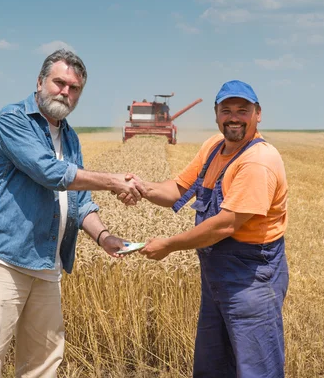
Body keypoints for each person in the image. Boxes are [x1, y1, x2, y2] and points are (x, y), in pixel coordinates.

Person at [0, 49, 143, 377]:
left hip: (47, 265)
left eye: (74, 88)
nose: (65, 92)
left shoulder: (70, 137)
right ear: (40, 81)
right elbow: (49, 172)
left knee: (43, 364)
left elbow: (81, 200)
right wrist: (114, 180)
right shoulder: (14, 119)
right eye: (59, 83)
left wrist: (103, 237)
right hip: (5, 259)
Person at [121, 80, 289, 377]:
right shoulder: (213, 147)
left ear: (257, 114)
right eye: (226, 110)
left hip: (252, 280)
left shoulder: (258, 161)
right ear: (216, 114)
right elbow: (176, 189)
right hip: (216, 278)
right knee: (214, 366)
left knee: (255, 368)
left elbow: (225, 225)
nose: (234, 117)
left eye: (242, 110)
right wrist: (141, 187)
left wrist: (169, 245)